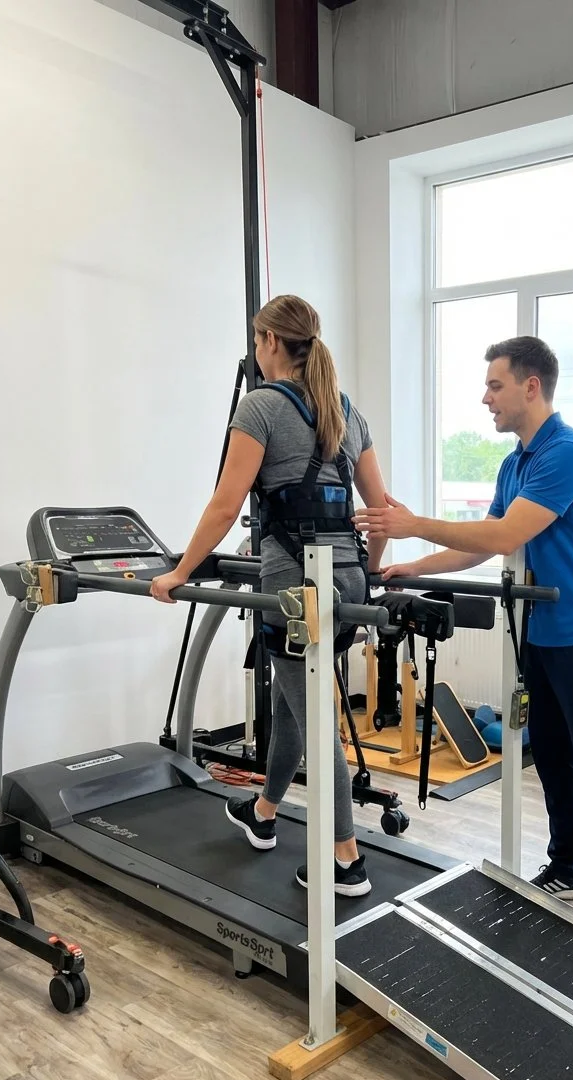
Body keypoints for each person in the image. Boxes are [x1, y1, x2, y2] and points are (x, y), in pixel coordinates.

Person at [354, 336, 573, 938]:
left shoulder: (568, 452)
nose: (485, 398)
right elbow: (490, 538)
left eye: (495, 385)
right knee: (554, 759)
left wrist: (411, 523)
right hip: (541, 632)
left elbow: (501, 536)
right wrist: (413, 565)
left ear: (530, 386)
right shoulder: (516, 461)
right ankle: (569, 868)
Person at [151, 295, 389, 898]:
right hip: (348, 576)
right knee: (291, 702)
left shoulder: (259, 405)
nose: (256, 351)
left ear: (271, 342)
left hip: (296, 587)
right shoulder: (345, 408)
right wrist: (373, 573)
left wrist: (180, 572)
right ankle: (263, 813)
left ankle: (344, 859)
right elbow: (379, 511)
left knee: (314, 719)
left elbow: (226, 504)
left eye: (259, 340)